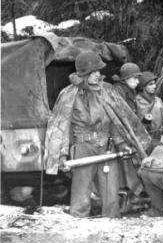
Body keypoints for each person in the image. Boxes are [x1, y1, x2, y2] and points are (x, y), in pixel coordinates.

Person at [43, 51, 151, 218]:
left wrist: (121, 143)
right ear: (83, 73)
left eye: (98, 71)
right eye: (93, 72)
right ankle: (79, 231)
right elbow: (60, 128)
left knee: (111, 194)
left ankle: (111, 228)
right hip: (83, 149)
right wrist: (62, 155)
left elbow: (116, 120)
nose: (97, 75)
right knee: (81, 195)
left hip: (106, 149)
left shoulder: (107, 91)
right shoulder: (69, 95)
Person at [136, 71, 163, 151]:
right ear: (143, 87)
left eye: (154, 83)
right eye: (151, 84)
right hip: (143, 141)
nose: (154, 86)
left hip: (159, 139)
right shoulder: (136, 102)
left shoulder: (158, 100)